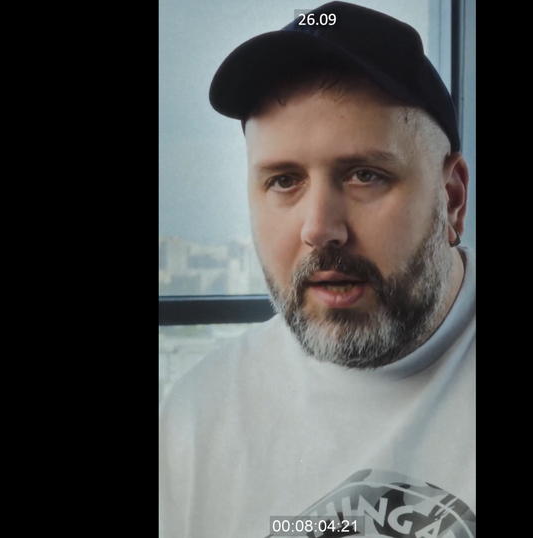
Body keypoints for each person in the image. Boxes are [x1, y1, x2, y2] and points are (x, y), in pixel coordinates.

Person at [160, 2, 475, 536]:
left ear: (452, 199)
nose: (320, 228)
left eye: (365, 175)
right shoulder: (196, 419)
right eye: (284, 181)